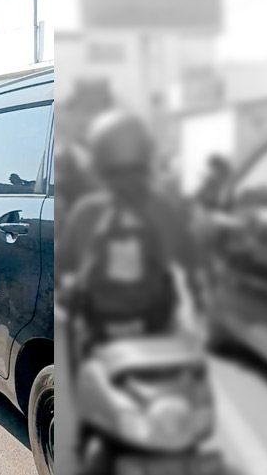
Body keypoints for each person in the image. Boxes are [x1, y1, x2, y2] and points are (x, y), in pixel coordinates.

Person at [57, 110, 207, 353]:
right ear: (147, 155)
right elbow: (193, 265)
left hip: (99, 333)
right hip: (158, 329)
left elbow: (62, 269)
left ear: (98, 160)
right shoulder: (163, 207)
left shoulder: (85, 211)